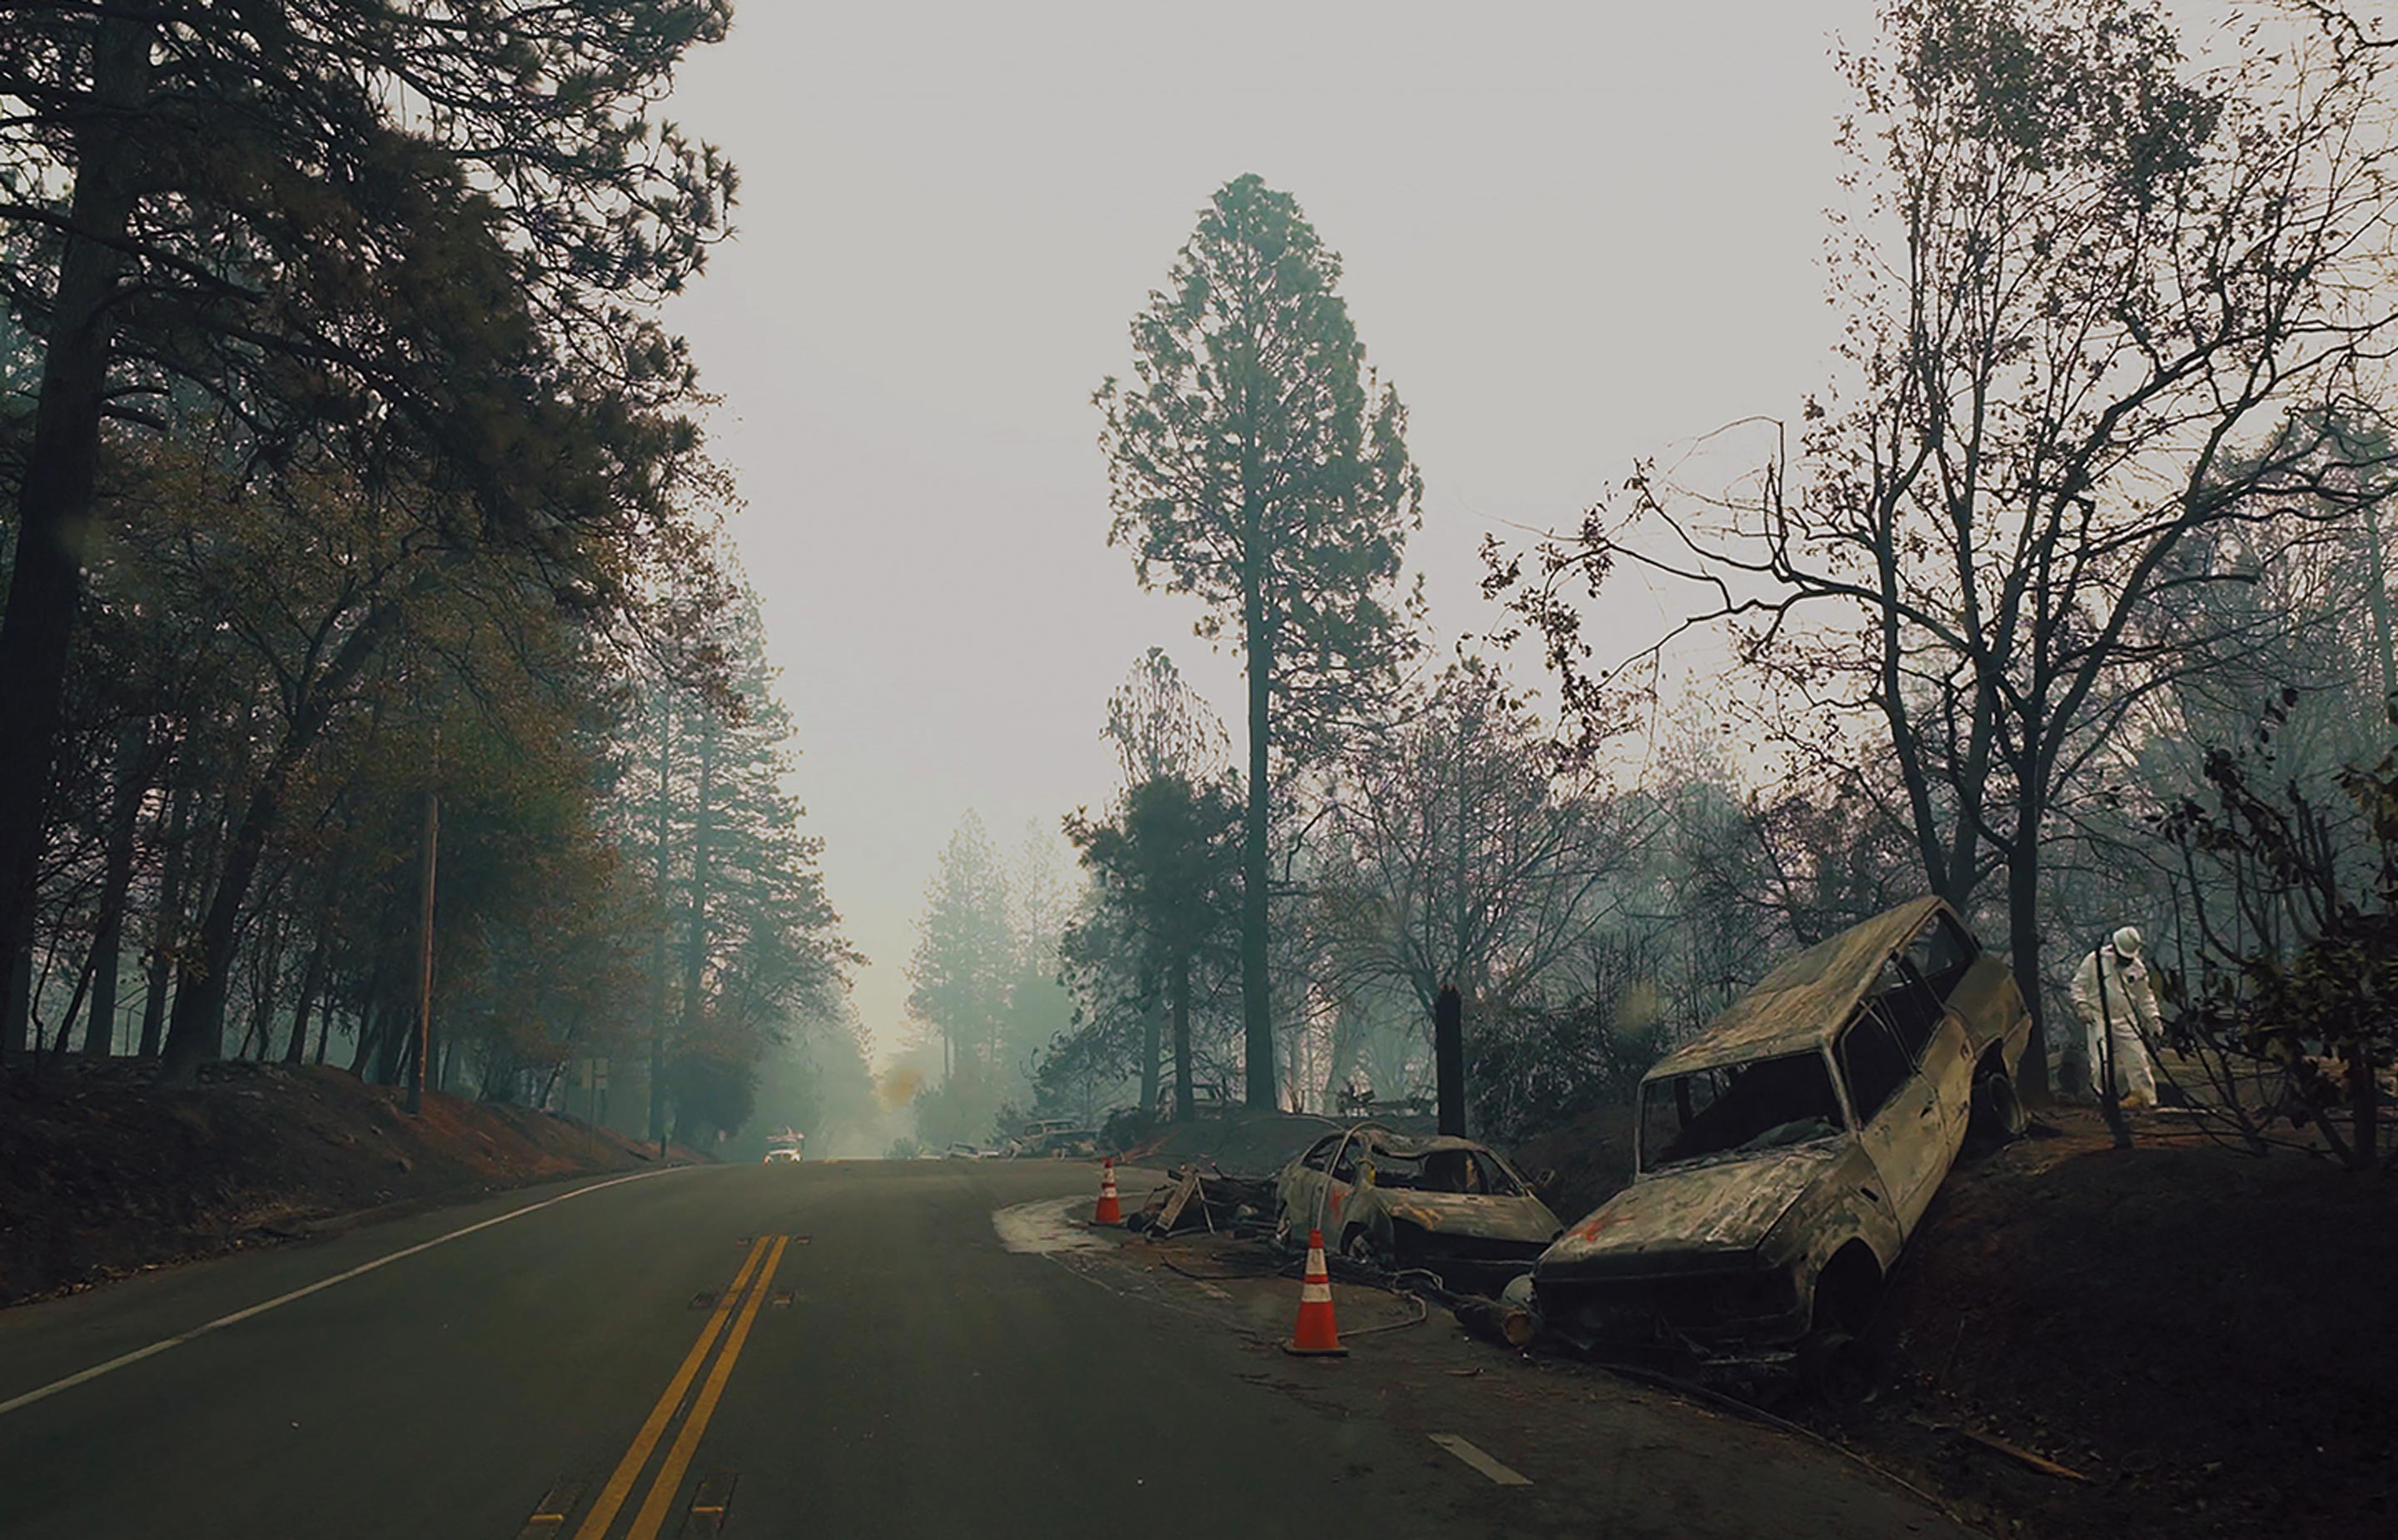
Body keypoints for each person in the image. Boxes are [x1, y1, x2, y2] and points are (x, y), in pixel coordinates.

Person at [2070, 926, 2163, 1108]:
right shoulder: (2095, 961)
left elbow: (2145, 997)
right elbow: (2078, 986)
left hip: (2125, 1017)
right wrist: (2082, 1005)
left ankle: (2147, 1100)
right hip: (2098, 1016)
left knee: (2138, 1060)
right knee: (2101, 1063)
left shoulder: (2137, 968)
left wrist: (2153, 1018)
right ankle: (2105, 1100)